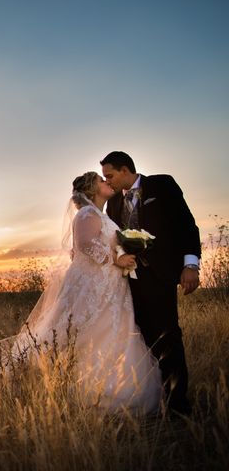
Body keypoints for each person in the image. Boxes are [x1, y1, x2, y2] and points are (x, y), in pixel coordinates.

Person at [0, 172, 162, 413]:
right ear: (91, 189)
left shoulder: (101, 214)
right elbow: (84, 244)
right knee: (81, 331)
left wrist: (124, 252)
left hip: (110, 285)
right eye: (101, 180)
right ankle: (68, 387)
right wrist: (116, 259)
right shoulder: (86, 214)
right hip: (92, 285)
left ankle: (116, 389)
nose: (106, 182)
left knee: (113, 331)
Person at [100, 151, 201, 415]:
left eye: (110, 176)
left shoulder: (162, 185)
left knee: (168, 336)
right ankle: (153, 399)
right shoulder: (112, 205)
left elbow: (187, 225)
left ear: (125, 170)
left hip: (162, 275)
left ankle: (178, 405)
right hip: (130, 282)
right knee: (143, 341)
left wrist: (190, 265)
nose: (107, 182)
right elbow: (114, 239)